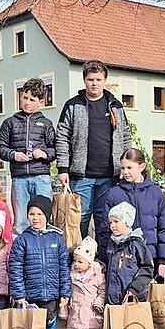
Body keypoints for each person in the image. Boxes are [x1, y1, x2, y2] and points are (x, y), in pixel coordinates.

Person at [56, 60, 132, 238]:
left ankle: (104, 259)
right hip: (81, 176)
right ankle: (78, 259)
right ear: (84, 80)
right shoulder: (73, 106)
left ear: (104, 80)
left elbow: (126, 136)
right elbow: (62, 138)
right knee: (78, 219)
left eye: (98, 79)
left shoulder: (115, 106)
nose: (94, 83)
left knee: (105, 219)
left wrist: (126, 167)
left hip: (109, 176)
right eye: (91, 79)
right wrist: (63, 168)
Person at [8, 196, 71, 329]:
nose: (35, 217)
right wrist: (19, 294)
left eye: (39, 214)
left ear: (47, 215)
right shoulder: (22, 240)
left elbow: (64, 268)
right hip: (30, 295)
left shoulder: (57, 239)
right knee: (32, 327)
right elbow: (15, 268)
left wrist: (65, 292)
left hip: (51, 293)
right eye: (31, 214)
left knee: (50, 326)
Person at [0, 77, 56, 235]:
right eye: (24, 98)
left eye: (32, 99)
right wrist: (14, 155)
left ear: (41, 102)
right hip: (19, 178)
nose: (27, 102)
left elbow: (55, 149)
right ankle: (22, 254)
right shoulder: (10, 122)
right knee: (21, 220)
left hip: (41, 177)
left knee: (43, 218)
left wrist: (43, 154)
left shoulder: (46, 123)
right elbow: (0, 147)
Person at [100, 148, 165, 277]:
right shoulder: (114, 193)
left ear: (142, 167)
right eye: (123, 168)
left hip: (151, 256)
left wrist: (164, 260)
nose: (125, 172)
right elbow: (105, 228)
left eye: (129, 168)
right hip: (122, 258)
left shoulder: (155, 193)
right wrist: (105, 258)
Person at [104, 201, 154, 329]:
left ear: (127, 222)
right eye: (111, 222)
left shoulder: (136, 244)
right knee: (115, 326)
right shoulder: (111, 243)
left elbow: (147, 268)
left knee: (131, 327)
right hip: (113, 293)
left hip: (131, 293)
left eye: (116, 222)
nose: (113, 226)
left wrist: (134, 288)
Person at [61, 237, 106, 329]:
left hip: (91, 313)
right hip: (76, 311)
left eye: (80, 261)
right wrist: (64, 308)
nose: (76, 264)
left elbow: (102, 291)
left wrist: (99, 303)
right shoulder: (71, 275)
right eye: (75, 261)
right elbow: (67, 292)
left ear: (89, 262)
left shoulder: (97, 274)